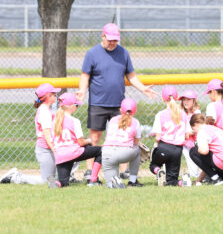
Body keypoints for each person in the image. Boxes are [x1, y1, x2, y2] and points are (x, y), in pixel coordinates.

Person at [76, 23, 157, 182]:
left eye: (115, 40)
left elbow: (131, 75)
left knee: (123, 136)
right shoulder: (92, 53)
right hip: (98, 102)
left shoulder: (123, 53)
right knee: (95, 137)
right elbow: (85, 76)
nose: (113, 43)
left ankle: (124, 171)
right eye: (110, 40)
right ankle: (90, 171)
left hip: (119, 104)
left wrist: (143, 89)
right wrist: (82, 91)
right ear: (103, 36)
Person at [0, 83, 61, 185]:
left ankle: (69, 177)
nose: (56, 96)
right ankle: (15, 177)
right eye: (54, 94)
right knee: (46, 181)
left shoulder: (47, 109)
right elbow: (46, 134)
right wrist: (54, 149)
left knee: (53, 179)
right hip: (45, 150)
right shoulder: (44, 111)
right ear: (48, 96)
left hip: (48, 148)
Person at [48, 92, 102, 188]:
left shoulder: (54, 121)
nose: (76, 107)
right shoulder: (74, 121)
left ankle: (57, 183)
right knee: (100, 151)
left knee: (64, 183)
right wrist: (89, 140)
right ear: (71, 107)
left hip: (60, 155)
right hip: (73, 152)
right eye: (76, 105)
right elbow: (80, 142)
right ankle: (93, 180)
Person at [149, 86, 191, 187]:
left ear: (163, 99)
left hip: (164, 147)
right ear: (176, 99)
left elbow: (157, 136)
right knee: (171, 181)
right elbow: (187, 135)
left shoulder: (161, 114)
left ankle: (158, 171)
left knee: (153, 165)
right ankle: (183, 182)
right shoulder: (183, 114)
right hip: (177, 150)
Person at [189, 113, 223, 185]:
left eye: (193, 129)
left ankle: (216, 179)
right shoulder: (215, 129)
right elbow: (207, 164)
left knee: (193, 151)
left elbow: (204, 151)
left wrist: (198, 146)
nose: (194, 132)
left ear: (196, 124)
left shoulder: (202, 131)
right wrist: (199, 180)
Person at [102, 98, 142, 189]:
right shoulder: (135, 122)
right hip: (125, 152)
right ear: (134, 111)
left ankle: (114, 181)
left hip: (106, 152)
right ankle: (132, 180)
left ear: (120, 109)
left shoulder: (112, 120)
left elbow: (107, 137)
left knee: (110, 185)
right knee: (137, 149)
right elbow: (136, 142)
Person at [178, 90, 201, 181]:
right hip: (183, 141)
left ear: (194, 101)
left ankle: (197, 175)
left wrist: (187, 133)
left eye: (188, 99)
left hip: (193, 142)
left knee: (194, 171)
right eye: (184, 99)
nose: (185, 102)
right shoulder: (182, 112)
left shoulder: (196, 112)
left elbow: (199, 128)